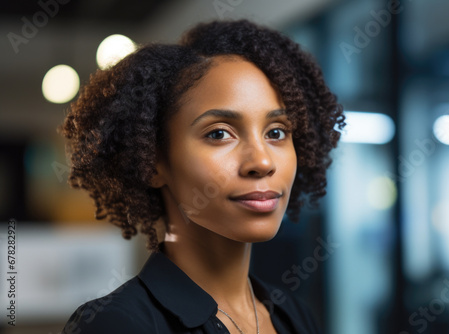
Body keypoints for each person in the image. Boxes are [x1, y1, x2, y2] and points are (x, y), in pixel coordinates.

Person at [60, 19, 344, 334]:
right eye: (220, 133)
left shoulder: (294, 316)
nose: (262, 161)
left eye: (276, 132)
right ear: (153, 162)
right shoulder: (116, 324)